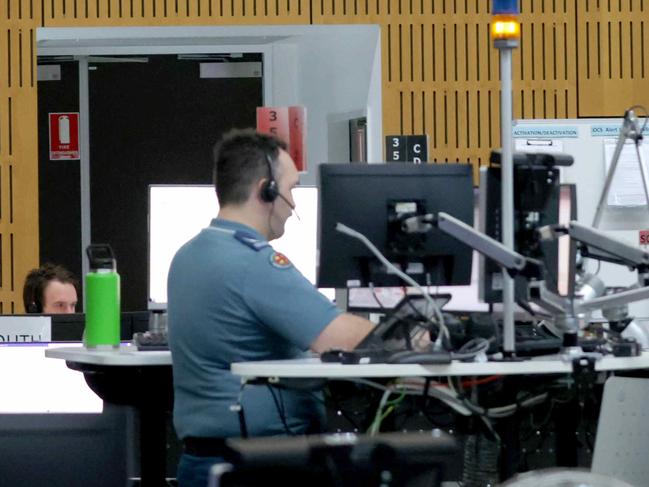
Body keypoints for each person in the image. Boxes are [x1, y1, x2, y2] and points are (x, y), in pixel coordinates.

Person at [167, 129, 375, 487]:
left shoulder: (187, 256)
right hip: (258, 468)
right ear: (266, 191)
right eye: (291, 189)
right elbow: (340, 338)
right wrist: (416, 335)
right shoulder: (253, 263)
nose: (293, 203)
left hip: (203, 462)